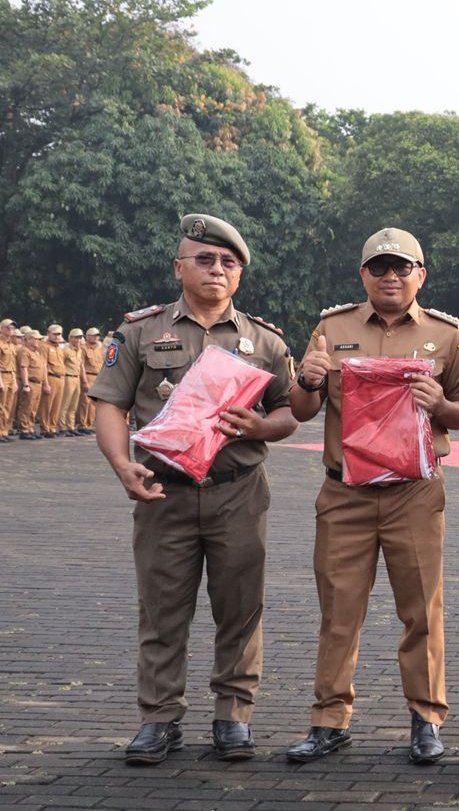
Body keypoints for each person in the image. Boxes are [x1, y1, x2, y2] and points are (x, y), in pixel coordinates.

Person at [88, 214, 297, 765]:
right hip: (164, 489)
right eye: (204, 259)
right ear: (179, 266)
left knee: (241, 606)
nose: (217, 270)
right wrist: (119, 463)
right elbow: (111, 402)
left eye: (229, 263)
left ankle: (234, 715)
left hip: (238, 489)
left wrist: (259, 427)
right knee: (162, 607)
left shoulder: (265, 341)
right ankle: (158, 718)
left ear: (240, 275)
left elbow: (288, 414)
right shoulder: (139, 331)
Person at [282, 228, 459, 765]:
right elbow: (301, 410)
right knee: (339, 611)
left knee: (421, 611)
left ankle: (426, 719)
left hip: (413, 492)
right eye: (379, 267)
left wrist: (438, 401)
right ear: (362, 274)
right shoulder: (331, 328)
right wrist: (309, 377)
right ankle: (328, 719)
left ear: (421, 274)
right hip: (345, 492)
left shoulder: (444, 335)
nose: (391, 277)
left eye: (402, 267)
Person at [14, 327, 46, 439]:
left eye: (39, 339)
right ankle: (24, 429)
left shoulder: (37, 353)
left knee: (33, 408)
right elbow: (24, 368)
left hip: (38, 383)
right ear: (28, 340)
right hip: (30, 382)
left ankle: (30, 427)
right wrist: (26, 384)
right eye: (36, 339)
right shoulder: (24, 351)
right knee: (26, 407)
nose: (38, 341)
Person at [59, 327, 86, 435]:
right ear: (70, 338)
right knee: (65, 404)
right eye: (76, 337)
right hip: (68, 377)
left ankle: (70, 427)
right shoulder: (65, 349)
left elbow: (81, 366)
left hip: (76, 378)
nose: (78, 340)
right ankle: (62, 427)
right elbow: (61, 364)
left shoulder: (79, 350)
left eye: (80, 338)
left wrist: (83, 381)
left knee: (73, 405)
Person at [78, 327, 105, 435]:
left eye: (97, 335)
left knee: (94, 403)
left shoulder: (100, 347)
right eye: (93, 335)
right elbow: (81, 366)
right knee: (85, 402)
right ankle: (83, 424)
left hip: (98, 377)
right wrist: (84, 381)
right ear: (87, 336)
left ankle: (90, 424)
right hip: (88, 376)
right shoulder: (83, 348)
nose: (96, 337)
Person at [41, 323, 66, 437]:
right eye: (54, 334)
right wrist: (45, 383)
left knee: (57, 405)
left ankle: (52, 427)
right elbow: (44, 366)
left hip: (60, 378)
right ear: (48, 334)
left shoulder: (60, 348)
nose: (57, 336)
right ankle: (45, 428)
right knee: (47, 404)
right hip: (50, 377)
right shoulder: (44, 347)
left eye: (59, 334)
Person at [0, 319, 17, 442]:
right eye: (7, 328)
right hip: (2, 376)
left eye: (12, 328)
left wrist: (14, 381)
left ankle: (4, 431)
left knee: (8, 406)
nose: (10, 330)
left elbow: (12, 365)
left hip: (11, 376)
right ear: (1, 329)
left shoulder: (11, 344)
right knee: (1, 406)